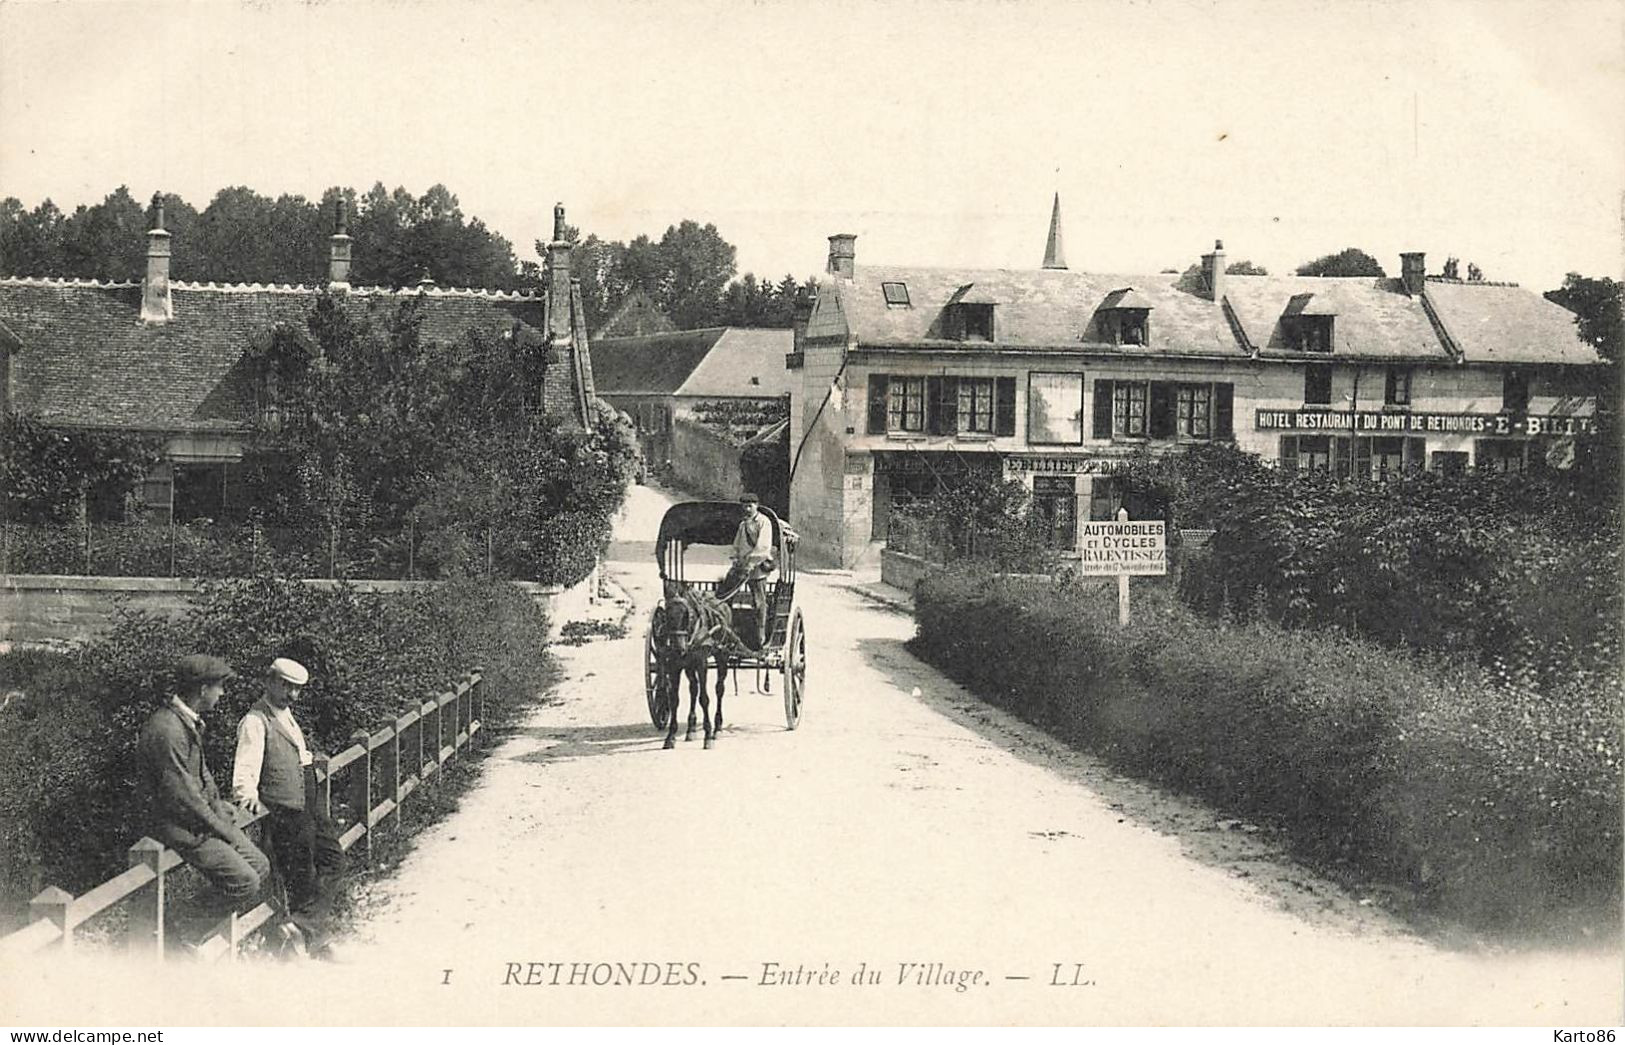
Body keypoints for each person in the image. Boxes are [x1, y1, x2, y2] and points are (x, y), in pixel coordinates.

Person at [136, 654, 270, 940]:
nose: (222, 693)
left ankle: (197, 933)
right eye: (219, 686)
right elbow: (183, 797)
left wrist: (218, 805)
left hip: (198, 822)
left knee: (260, 865)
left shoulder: (187, 721)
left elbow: (202, 776)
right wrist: (225, 830)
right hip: (179, 828)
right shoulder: (167, 729)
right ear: (202, 690)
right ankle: (182, 932)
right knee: (245, 882)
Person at [233, 657, 346, 960]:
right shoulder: (255, 721)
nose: (291, 694)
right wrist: (248, 796)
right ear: (269, 681)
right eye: (285, 686)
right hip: (285, 808)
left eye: (296, 689)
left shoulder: (287, 716)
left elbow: (297, 754)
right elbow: (245, 770)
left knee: (334, 860)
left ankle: (300, 926)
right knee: (302, 875)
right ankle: (312, 943)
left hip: (309, 801)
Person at [720, 492, 774, 648]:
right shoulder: (743, 524)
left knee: (759, 602)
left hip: (757, 569)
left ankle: (760, 635)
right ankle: (725, 630)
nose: (747, 509)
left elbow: (763, 547)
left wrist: (751, 563)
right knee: (724, 596)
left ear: (757, 506)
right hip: (741, 567)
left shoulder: (763, 522)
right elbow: (736, 545)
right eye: (745, 506)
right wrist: (736, 559)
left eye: (750, 506)